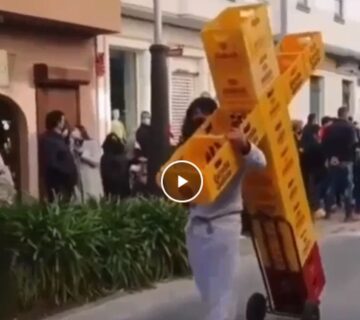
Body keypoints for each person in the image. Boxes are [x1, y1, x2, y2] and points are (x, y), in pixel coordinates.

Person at [181, 97, 267, 320]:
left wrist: (245, 145)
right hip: (196, 227)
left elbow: (260, 161)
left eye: (205, 119)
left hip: (224, 226)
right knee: (209, 293)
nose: (200, 126)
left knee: (223, 295)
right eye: (195, 121)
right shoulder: (188, 151)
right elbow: (180, 191)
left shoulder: (232, 145)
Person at [322, 107, 357, 221]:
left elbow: (324, 143)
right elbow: (353, 144)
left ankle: (327, 212)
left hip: (332, 160)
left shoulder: (329, 128)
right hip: (346, 160)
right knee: (348, 187)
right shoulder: (349, 127)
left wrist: (330, 157)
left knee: (331, 186)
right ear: (346, 114)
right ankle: (348, 215)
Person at [39, 110, 77, 202]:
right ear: (57, 122)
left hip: (66, 182)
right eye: (63, 120)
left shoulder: (58, 138)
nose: (65, 123)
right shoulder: (49, 139)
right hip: (59, 182)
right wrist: (67, 172)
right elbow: (52, 162)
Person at [70, 125, 103, 202]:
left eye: (75, 130)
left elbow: (97, 161)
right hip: (78, 180)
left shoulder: (92, 143)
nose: (72, 132)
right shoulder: (72, 145)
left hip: (91, 179)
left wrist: (83, 154)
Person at [301, 124, 327, 219]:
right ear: (315, 133)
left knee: (311, 191)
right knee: (315, 192)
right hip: (317, 171)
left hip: (307, 171)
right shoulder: (317, 145)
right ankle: (316, 210)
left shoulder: (303, 144)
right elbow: (322, 158)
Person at [101, 128, 130, 200]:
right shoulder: (123, 156)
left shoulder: (106, 157)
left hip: (110, 186)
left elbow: (105, 173)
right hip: (123, 185)